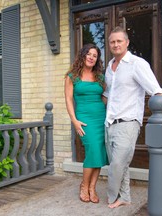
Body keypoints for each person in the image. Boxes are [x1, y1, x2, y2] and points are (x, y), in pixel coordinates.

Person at [103, 26, 162, 209]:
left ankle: (112, 196)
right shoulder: (109, 67)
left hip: (128, 122)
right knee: (121, 164)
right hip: (109, 122)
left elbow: (155, 90)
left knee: (117, 164)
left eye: (119, 41)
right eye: (112, 41)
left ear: (127, 43)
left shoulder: (137, 64)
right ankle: (126, 197)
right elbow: (107, 95)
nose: (115, 44)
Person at [64, 43, 109, 203]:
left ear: (97, 59)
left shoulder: (100, 77)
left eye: (95, 55)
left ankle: (92, 187)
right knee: (93, 150)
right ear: (83, 56)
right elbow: (68, 100)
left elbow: (105, 97)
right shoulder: (72, 76)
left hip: (101, 117)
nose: (91, 57)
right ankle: (84, 185)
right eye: (89, 54)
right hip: (84, 118)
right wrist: (74, 121)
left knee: (99, 152)